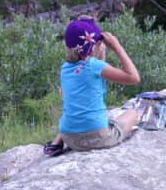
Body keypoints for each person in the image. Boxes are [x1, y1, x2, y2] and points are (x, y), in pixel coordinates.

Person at [46, 17, 141, 155]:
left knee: (73, 110)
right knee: (132, 114)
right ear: (92, 47)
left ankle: (56, 142)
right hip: (97, 138)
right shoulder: (94, 66)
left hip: (70, 137)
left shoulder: (65, 68)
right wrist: (116, 46)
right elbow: (134, 78)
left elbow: (80, 85)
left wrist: (99, 52)